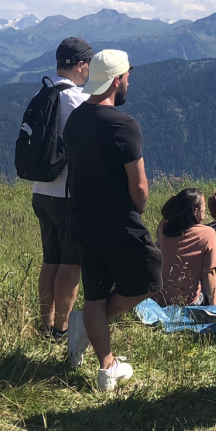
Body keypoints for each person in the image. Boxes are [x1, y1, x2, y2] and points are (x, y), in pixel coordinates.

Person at [61, 49, 163, 391]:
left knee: (94, 292)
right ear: (117, 80)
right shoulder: (124, 125)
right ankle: (91, 329)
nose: (128, 83)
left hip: (82, 218)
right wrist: (138, 208)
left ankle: (107, 366)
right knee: (150, 276)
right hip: (118, 219)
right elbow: (140, 185)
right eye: (127, 78)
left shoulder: (76, 119)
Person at [29, 38, 91, 340]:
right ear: (80, 65)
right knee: (71, 263)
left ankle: (44, 323)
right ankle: (61, 328)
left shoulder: (45, 91)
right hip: (67, 194)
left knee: (50, 259)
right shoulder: (76, 100)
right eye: (87, 65)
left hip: (40, 191)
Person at [155, 188, 216, 306]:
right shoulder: (207, 233)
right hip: (190, 301)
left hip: (162, 298)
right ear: (196, 211)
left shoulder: (164, 230)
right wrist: (215, 307)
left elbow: (161, 227)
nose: (205, 209)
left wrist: (174, 203)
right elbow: (208, 273)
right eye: (204, 206)